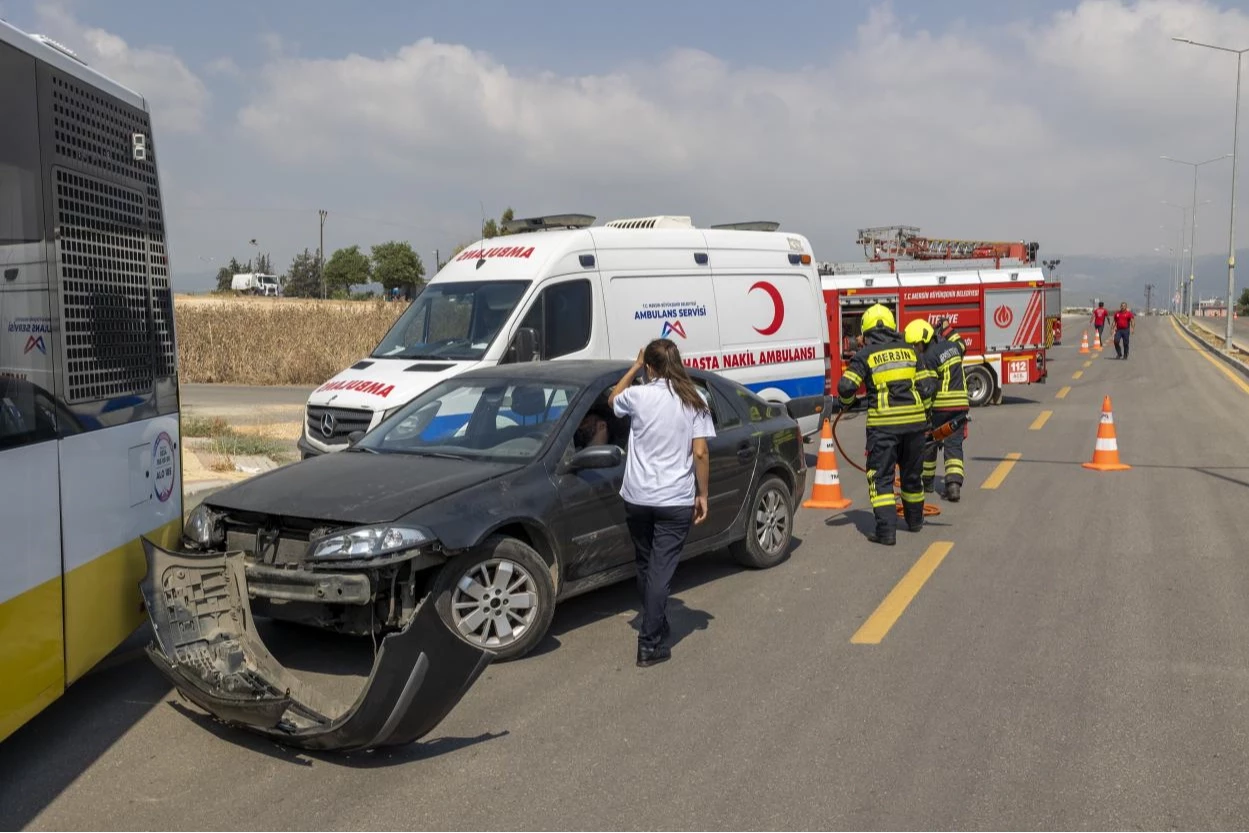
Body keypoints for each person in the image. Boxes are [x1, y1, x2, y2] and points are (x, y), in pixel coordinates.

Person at [608, 338, 714, 667]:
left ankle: (655, 621)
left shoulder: (638, 395)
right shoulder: (694, 399)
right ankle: (649, 643)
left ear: (650, 367)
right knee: (660, 571)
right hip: (674, 499)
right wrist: (703, 494)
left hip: (637, 497)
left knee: (645, 564)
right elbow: (700, 452)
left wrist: (634, 367)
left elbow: (612, 399)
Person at [836, 303, 935, 546]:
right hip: (914, 426)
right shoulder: (910, 351)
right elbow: (927, 389)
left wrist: (847, 403)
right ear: (891, 326)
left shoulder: (865, 355)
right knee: (912, 475)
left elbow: (846, 387)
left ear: (867, 330)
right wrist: (924, 418)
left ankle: (886, 532)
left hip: (883, 428)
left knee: (881, 478)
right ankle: (915, 522)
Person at [906, 317, 969, 503]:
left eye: (916, 344)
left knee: (930, 443)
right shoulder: (954, 347)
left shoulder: (928, 357)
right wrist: (948, 328)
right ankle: (954, 485)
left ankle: (927, 483)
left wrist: (924, 413)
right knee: (954, 445)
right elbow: (962, 344)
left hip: (939, 407)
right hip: (960, 406)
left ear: (924, 341)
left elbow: (929, 388)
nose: (915, 349)